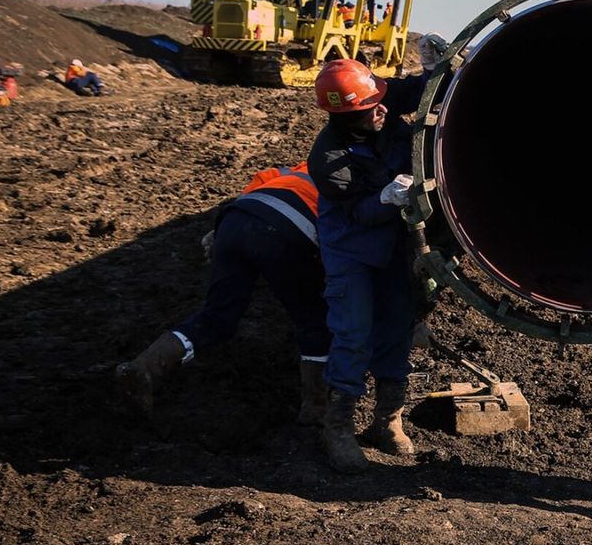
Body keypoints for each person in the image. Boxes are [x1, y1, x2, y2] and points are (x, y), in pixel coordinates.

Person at [116, 162, 331, 420]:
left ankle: (146, 367)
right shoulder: (351, 174)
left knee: (217, 317)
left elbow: (258, 185)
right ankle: (316, 410)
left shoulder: (300, 167)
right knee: (313, 321)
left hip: (236, 218)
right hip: (286, 230)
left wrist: (220, 233)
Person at [307, 57, 428, 473]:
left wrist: (439, 65)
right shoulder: (329, 159)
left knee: (397, 326)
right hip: (352, 250)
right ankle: (337, 427)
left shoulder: (377, 100)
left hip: (395, 246)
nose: (381, 110)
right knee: (353, 333)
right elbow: (357, 214)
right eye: (367, 110)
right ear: (344, 117)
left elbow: (415, 91)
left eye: (380, 102)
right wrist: (384, 199)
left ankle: (387, 420)